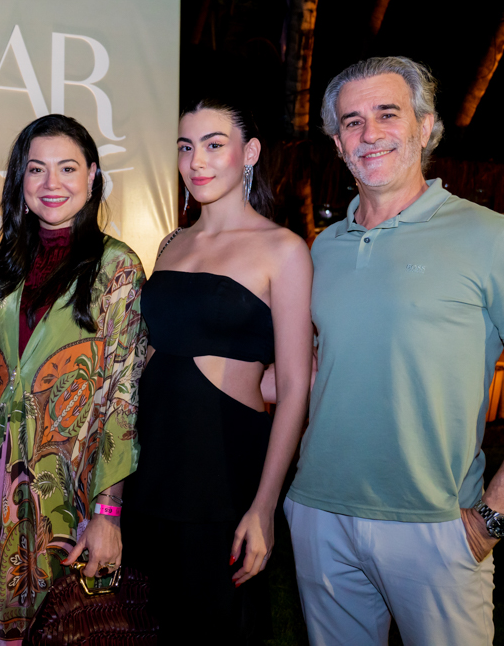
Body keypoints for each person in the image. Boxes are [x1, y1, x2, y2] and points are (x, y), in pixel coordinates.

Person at [285, 56, 504, 645]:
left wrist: (493, 518)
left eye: (387, 114)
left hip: (435, 526)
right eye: (352, 122)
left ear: (425, 128)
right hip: (319, 512)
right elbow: (317, 370)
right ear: (337, 144)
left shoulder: (493, 238)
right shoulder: (323, 250)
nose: (369, 133)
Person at [0, 114, 147, 645]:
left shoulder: (116, 269)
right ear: (21, 180)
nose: (51, 184)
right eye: (37, 170)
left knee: (62, 629)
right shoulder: (5, 265)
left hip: (66, 498)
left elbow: (121, 400)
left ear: (93, 176)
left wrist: (108, 513)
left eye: (67, 168)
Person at [122, 98, 314, 644]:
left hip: (222, 470)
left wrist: (264, 504)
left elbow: (295, 384)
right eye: (186, 147)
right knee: (146, 624)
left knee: (216, 628)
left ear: (248, 152)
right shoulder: (171, 244)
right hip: (151, 465)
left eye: (213, 144)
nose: (196, 161)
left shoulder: (283, 250)